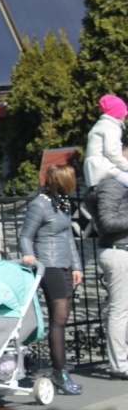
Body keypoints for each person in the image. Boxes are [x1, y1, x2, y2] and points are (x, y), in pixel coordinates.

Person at [18, 164, 83, 395]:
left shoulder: (63, 202)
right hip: (49, 265)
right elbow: (26, 235)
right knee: (59, 317)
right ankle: (59, 372)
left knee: (62, 319)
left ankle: (60, 370)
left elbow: (68, 237)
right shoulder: (40, 204)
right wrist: (30, 257)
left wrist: (77, 266)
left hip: (64, 264)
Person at [89, 146, 128, 381]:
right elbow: (107, 222)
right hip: (118, 252)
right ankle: (119, 366)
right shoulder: (112, 184)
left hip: (122, 250)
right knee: (119, 310)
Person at [83, 94, 128, 188]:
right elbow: (112, 152)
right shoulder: (111, 127)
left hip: (95, 170)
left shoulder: (101, 125)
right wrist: (126, 166)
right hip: (106, 169)